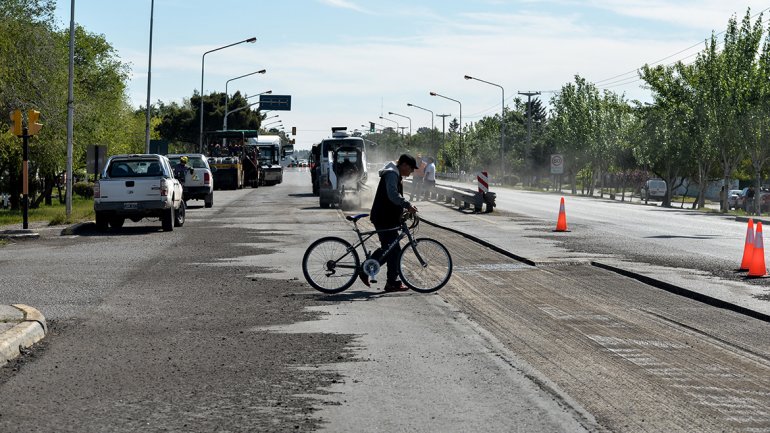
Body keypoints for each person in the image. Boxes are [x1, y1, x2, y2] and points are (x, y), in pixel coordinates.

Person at [361, 154, 418, 292]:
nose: (411, 172)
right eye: (411, 168)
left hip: (387, 217)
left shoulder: (395, 174)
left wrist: (402, 211)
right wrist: (407, 205)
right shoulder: (392, 174)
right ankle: (368, 270)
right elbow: (392, 195)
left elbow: (393, 197)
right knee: (391, 249)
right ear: (404, 165)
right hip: (383, 217)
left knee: (391, 249)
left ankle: (390, 281)